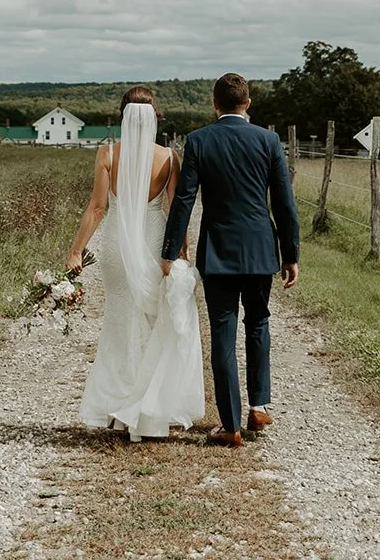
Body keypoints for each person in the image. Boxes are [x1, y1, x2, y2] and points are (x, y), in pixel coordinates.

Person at [162, 73, 299, 447]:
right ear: (248, 103)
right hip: (260, 250)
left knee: (222, 333)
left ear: (214, 103)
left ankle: (230, 425)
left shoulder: (200, 140)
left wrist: (170, 250)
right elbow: (284, 204)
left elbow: (184, 200)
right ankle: (258, 405)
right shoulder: (269, 140)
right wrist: (291, 254)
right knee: (258, 323)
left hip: (218, 252)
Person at [65, 86, 205, 440]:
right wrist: (180, 253)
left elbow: (97, 208)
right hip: (155, 239)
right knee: (153, 321)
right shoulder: (170, 157)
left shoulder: (108, 153)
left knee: (120, 320)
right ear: (155, 116)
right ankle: (146, 407)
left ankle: (118, 405)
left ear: (124, 115)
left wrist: (75, 250)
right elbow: (174, 210)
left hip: (117, 242)